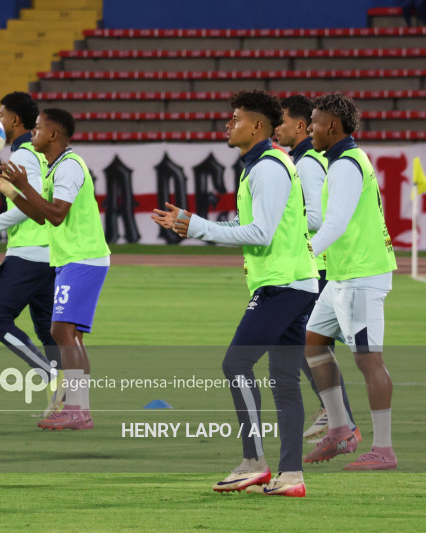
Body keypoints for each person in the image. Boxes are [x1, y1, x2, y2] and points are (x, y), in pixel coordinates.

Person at [154, 90, 318, 497]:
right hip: (294, 282)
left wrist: (196, 227)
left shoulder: (266, 167)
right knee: (283, 381)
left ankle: (254, 462)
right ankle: (292, 476)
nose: (228, 124)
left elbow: (260, 233)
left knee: (236, 363)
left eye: (236, 118)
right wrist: (196, 223)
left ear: (257, 126)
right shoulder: (264, 166)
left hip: (282, 284)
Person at [0, 108, 110, 431]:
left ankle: (78, 409)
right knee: (67, 334)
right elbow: (38, 215)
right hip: (68, 259)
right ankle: (78, 409)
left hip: (84, 257)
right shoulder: (54, 169)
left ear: (53, 135)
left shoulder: (68, 167)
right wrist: (11, 191)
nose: (33, 133)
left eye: (37, 128)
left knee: (62, 332)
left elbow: (55, 215)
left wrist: (24, 182)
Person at [302, 93, 398, 470]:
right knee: (312, 342)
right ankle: (340, 429)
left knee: (368, 360)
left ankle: (384, 450)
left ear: (332, 126)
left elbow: (336, 222)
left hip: (361, 275)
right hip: (345, 273)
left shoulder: (344, 164)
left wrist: (305, 254)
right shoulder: (344, 160)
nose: (310, 128)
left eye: (314, 121)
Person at [276, 95, 360, 442]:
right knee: (301, 343)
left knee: (303, 343)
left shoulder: (307, 164)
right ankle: (335, 416)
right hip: (314, 265)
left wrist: (277, 223)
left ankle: (338, 418)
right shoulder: (303, 159)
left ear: (299, 125)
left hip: (316, 266)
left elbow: (317, 217)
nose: (274, 129)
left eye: (280, 122)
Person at [0, 92, 62, 416]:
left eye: (1, 115)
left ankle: (51, 375)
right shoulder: (38, 153)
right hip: (49, 253)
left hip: (28, 254)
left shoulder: (25, 154)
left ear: (15, 120)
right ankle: (65, 401)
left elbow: (35, 202)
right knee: (47, 330)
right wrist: (7, 189)